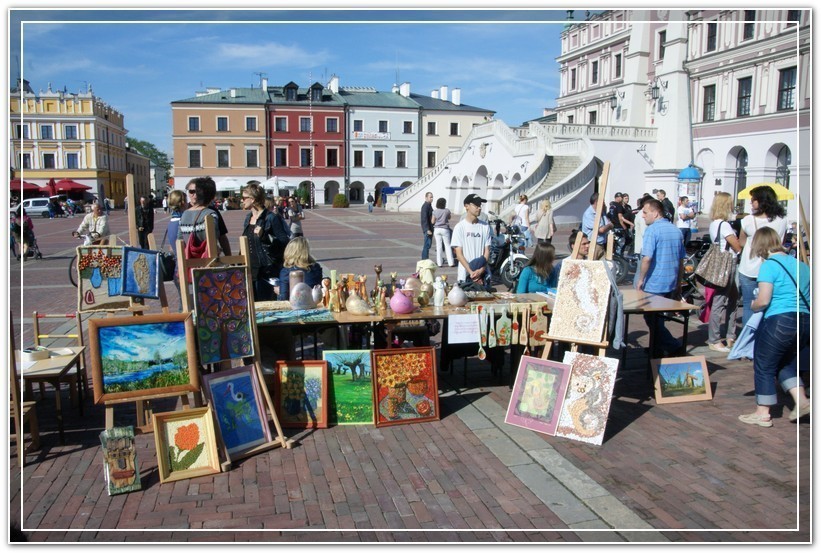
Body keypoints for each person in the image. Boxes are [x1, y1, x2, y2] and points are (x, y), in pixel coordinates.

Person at [738, 227, 810, 427]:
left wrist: (752, 305)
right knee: (785, 362)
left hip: (780, 319)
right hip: (804, 320)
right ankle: (802, 401)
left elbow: (763, 300)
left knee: (764, 363)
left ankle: (763, 412)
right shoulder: (802, 265)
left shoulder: (769, 265)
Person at [636, 198, 686, 357]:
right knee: (657, 319)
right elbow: (680, 260)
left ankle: (672, 346)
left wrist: (641, 279)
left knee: (652, 319)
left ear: (655, 213)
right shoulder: (675, 230)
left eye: (645, 212)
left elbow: (647, 258)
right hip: (670, 281)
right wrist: (678, 282)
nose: (642, 216)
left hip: (655, 282)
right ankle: (656, 348)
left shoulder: (652, 230)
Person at [737, 185, 788, 326]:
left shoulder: (747, 220)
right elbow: (781, 242)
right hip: (773, 266)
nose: (751, 203)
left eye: (753, 200)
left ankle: (749, 340)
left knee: (748, 305)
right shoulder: (782, 220)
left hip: (749, 267)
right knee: (770, 304)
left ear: (762, 201)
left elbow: (741, 242)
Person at [705, 192, 742, 353]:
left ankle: (730, 335)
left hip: (723, 263)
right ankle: (714, 339)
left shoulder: (714, 223)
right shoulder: (724, 225)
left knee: (732, 298)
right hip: (728, 264)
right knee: (721, 301)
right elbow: (736, 246)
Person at [241, 183, 291, 301]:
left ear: (252, 199)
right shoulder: (248, 218)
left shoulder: (271, 218)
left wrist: (265, 236)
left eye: (244, 198)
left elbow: (285, 242)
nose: (242, 201)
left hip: (267, 269)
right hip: (250, 268)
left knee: (265, 304)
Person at [451, 194, 493, 287]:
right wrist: (471, 272)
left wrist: (481, 270)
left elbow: (487, 251)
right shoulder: (459, 227)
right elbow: (459, 254)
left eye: (480, 205)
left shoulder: (485, 226)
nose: (479, 208)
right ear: (466, 206)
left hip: (482, 274)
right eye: (476, 205)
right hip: (465, 274)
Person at [179, 177, 224, 256]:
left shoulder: (184, 214)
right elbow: (213, 239)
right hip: (206, 262)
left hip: (188, 262)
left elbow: (179, 240)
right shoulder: (210, 214)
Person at [277, 237, 323, 301]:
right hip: (313, 303)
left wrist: (279, 292)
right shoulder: (316, 268)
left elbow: (284, 298)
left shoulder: (286, 272)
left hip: (295, 306)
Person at [165, 190, 187, 310]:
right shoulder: (182, 222)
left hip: (176, 267)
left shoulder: (171, 221)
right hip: (183, 267)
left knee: (182, 301)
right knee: (185, 305)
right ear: (183, 202)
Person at [581, 192, 613, 260]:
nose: (604, 203)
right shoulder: (589, 214)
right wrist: (609, 226)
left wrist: (609, 225)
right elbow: (601, 230)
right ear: (597, 201)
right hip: (593, 244)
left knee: (604, 266)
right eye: (603, 201)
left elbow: (608, 222)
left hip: (602, 244)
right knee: (591, 266)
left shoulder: (601, 212)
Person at [431, 198, 455, 267]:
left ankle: (439, 263)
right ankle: (451, 262)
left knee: (439, 246)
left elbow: (432, 221)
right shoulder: (447, 211)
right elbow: (449, 217)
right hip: (445, 229)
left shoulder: (435, 211)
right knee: (447, 245)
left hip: (437, 229)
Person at [420, 192, 434, 260]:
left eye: (432, 197)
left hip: (430, 228)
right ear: (426, 198)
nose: (432, 198)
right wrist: (427, 229)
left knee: (428, 245)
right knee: (427, 245)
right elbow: (424, 218)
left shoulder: (429, 205)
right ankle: (424, 259)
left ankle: (425, 259)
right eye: (430, 197)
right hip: (428, 229)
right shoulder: (425, 206)